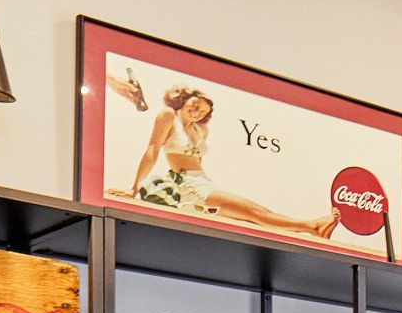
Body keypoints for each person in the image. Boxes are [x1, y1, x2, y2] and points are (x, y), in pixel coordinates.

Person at [129, 88, 338, 237]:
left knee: (255, 213)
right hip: (189, 187)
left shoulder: (201, 130)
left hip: (203, 183)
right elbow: (152, 150)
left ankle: (313, 228)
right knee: (254, 213)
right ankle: (311, 226)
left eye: (202, 112)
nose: (196, 112)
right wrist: (134, 188)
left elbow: (197, 162)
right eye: (195, 105)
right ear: (185, 98)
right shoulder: (168, 115)